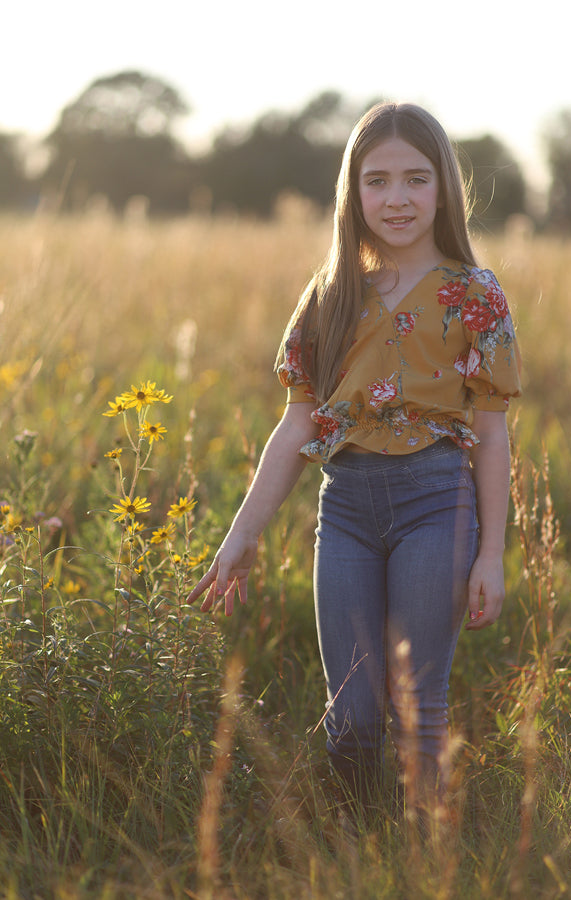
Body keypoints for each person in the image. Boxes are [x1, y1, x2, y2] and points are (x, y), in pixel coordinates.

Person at [187, 102, 521, 818]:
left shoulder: (474, 294)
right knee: (353, 712)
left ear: (443, 188)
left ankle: (424, 859)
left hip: (438, 501)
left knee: (417, 707)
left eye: (415, 179)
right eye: (377, 181)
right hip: (345, 510)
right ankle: (352, 848)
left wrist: (491, 553)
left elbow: (491, 434)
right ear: (352, 192)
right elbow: (295, 425)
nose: (396, 198)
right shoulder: (330, 296)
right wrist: (242, 532)